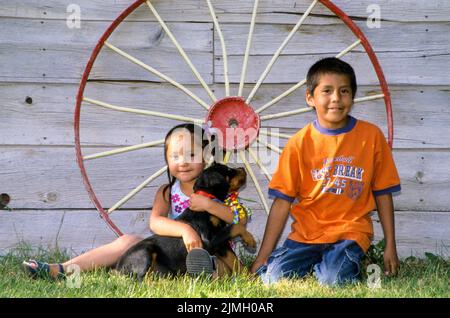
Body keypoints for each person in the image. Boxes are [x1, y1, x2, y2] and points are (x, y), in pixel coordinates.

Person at [22, 123, 248, 279]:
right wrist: (185, 230)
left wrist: (209, 205)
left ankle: (195, 273)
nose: (183, 163)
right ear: (166, 160)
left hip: (213, 251)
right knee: (129, 241)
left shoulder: (218, 190)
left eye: (191, 155)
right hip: (171, 254)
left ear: (206, 157)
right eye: (175, 156)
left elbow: (237, 219)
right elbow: (156, 223)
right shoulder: (167, 191)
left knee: (215, 268)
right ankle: (64, 270)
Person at [250, 57, 401, 286]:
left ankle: (338, 263)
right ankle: (312, 261)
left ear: (352, 96)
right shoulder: (298, 143)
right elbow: (281, 203)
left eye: (344, 91)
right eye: (327, 91)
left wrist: (391, 244)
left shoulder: (371, 137)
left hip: (349, 234)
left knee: (332, 281)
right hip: (305, 236)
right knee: (271, 279)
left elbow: (383, 193)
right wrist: (262, 258)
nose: (336, 99)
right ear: (310, 98)